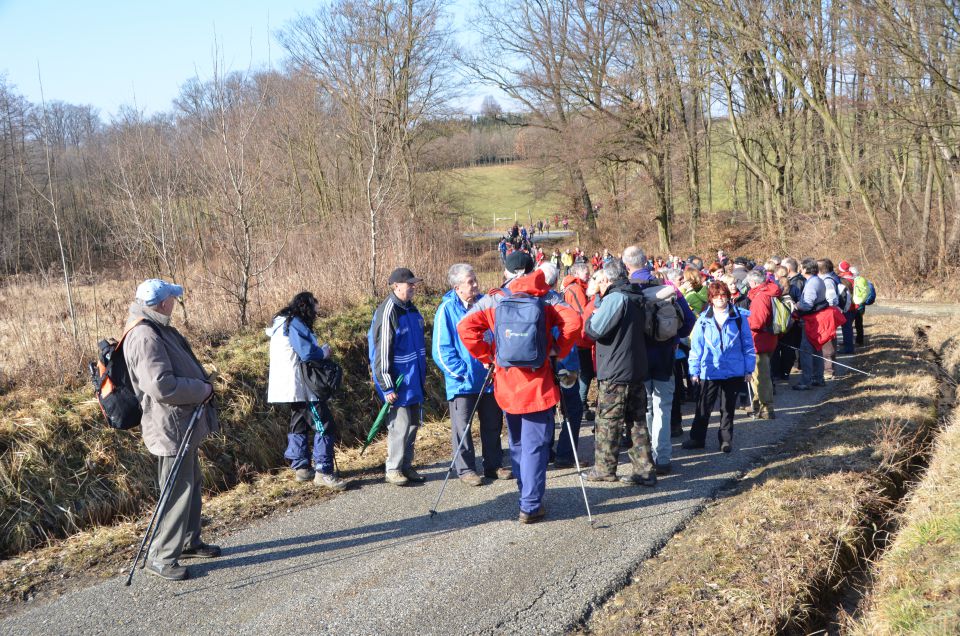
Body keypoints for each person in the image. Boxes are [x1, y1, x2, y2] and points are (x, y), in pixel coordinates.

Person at [458, 251, 581, 523]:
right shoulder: (547, 297)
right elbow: (573, 322)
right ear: (533, 268)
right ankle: (530, 504)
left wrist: (489, 355)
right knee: (535, 445)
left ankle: (525, 494)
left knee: (517, 443)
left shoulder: (494, 299)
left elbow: (465, 327)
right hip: (539, 383)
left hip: (506, 382)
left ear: (507, 271)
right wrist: (557, 350)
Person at [123, 279, 219, 581]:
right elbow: (161, 385)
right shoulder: (144, 335)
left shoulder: (156, 326)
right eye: (172, 299)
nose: (176, 304)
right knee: (177, 491)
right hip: (169, 425)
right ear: (163, 303)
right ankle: (162, 557)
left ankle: (189, 542)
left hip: (181, 422)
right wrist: (200, 389)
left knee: (191, 482)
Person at [433, 264, 511, 486]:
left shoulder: (485, 303)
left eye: (475, 280)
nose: (476, 285)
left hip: (488, 378)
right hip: (462, 382)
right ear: (457, 287)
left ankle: (494, 464)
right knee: (463, 427)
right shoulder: (447, 309)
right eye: (471, 282)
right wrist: (461, 372)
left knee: (493, 423)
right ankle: (466, 469)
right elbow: (441, 350)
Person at [584, 260, 657, 486]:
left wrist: (591, 316)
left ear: (607, 280)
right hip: (636, 368)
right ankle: (644, 470)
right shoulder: (636, 296)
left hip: (615, 371)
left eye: (598, 280)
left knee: (608, 421)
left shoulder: (616, 298)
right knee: (636, 421)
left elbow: (594, 329)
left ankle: (604, 469)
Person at [266, 292, 347, 490]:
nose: (316, 315)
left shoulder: (281, 322)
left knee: (299, 423)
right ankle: (323, 471)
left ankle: (302, 467)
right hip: (301, 385)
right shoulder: (294, 323)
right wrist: (324, 352)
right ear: (307, 308)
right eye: (315, 311)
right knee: (324, 424)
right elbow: (307, 352)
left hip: (285, 386)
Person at [625, 247, 695, 473]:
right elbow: (688, 321)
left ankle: (646, 461)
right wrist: (672, 337)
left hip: (638, 359)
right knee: (663, 408)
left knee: (643, 410)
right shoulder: (669, 288)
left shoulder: (626, 290)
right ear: (647, 262)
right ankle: (663, 458)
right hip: (665, 356)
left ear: (627, 266)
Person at [368, 268, 428, 486]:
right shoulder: (388, 311)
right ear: (396, 286)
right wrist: (387, 385)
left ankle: (406, 465)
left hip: (415, 379)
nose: (413, 287)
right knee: (399, 426)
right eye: (409, 284)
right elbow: (381, 351)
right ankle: (393, 468)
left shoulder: (412, 309)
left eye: (414, 284)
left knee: (413, 425)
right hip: (399, 382)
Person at [682, 281, 756, 453]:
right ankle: (697, 438)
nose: (720, 299)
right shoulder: (702, 320)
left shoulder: (739, 318)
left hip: (733, 370)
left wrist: (748, 369)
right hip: (710, 370)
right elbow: (696, 348)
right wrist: (694, 371)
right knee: (703, 407)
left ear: (728, 297)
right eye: (716, 296)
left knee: (728, 408)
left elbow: (748, 345)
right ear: (711, 299)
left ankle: (726, 440)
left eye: (723, 295)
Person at [538, 261, 585, 468]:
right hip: (564, 362)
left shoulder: (531, 300)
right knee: (572, 409)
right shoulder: (556, 301)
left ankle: (546, 452)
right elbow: (571, 326)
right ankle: (565, 455)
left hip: (541, 364)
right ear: (555, 280)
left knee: (547, 410)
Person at [561, 262, 596, 421]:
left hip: (578, 336)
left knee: (583, 371)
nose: (588, 275)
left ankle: (579, 403)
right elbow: (584, 314)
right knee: (585, 372)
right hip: (580, 337)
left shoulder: (577, 287)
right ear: (577, 274)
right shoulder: (576, 289)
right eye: (586, 273)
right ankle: (581, 404)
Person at [745, 270, 781, 419]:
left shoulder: (761, 297)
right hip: (768, 338)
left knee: (761, 376)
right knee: (759, 374)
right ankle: (757, 403)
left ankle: (767, 408)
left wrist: (743, 322)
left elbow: (757, 322)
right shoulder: (770, 291)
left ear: (753, 283)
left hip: (760, 340)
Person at [794, 258, 828, 390]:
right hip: (815, 320)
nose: (800, 270)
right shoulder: (817, 280)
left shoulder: (812, 283)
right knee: (816, 349)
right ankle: (818, 378)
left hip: (810, 321)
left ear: (806, 269)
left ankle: (806, 381)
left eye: (801, 267)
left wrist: (797, 305)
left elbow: (807, 305)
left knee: (806, 351)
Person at [850, 265, 870, 346]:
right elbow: (867, 290)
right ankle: (859, 341)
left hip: (854, 303)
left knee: (849, 323)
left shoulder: (852, 280)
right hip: (861, 303)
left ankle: (850, 341)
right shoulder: (863, 279)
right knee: (859, 323)